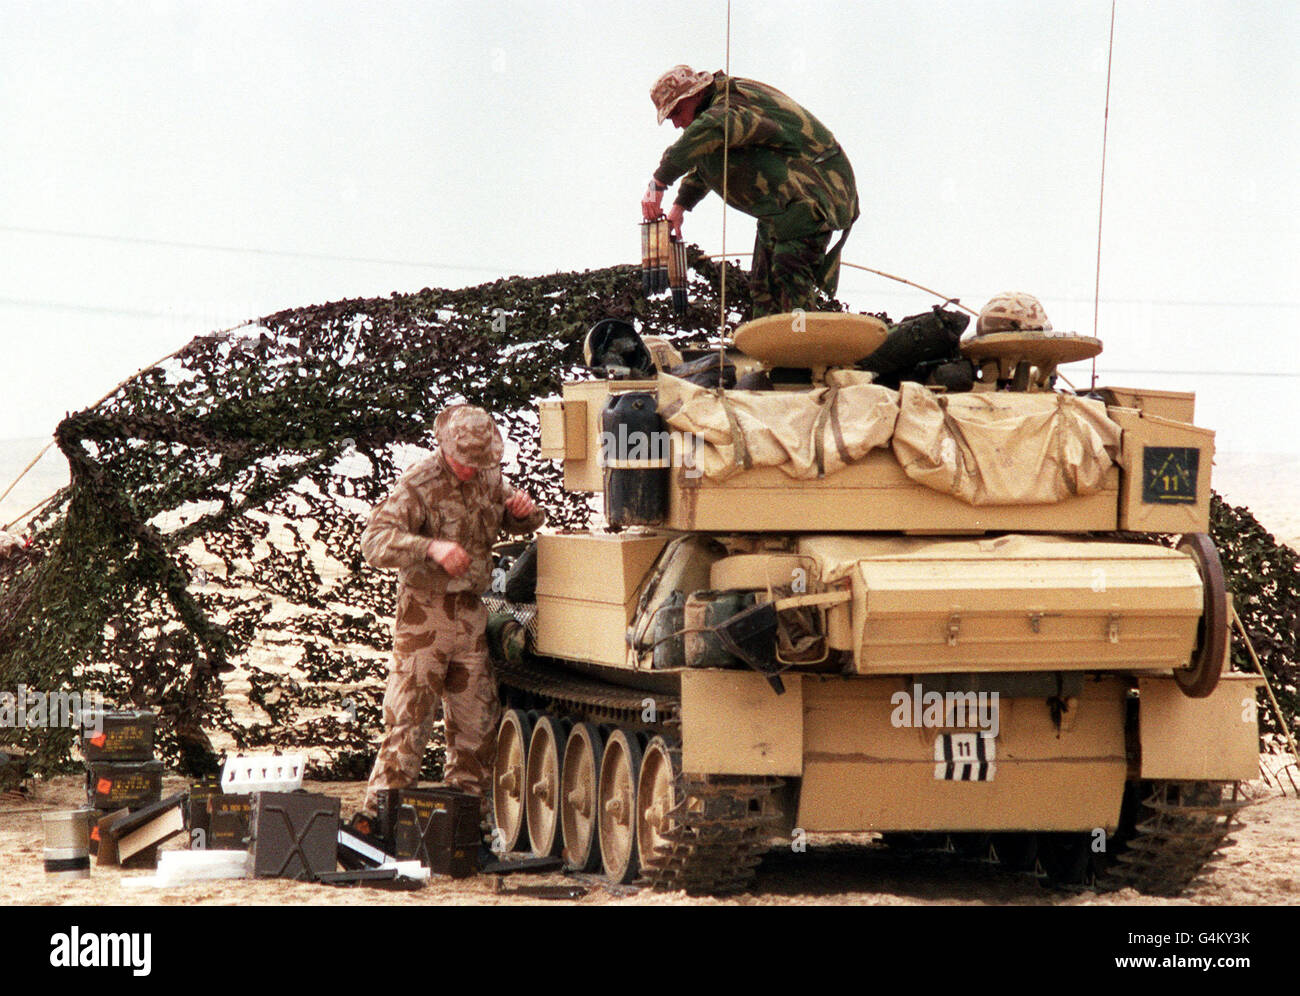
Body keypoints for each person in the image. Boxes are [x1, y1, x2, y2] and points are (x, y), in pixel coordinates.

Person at [358, 404, 545, 821]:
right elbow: (374, 542)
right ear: (445, 450)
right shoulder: (418, 484)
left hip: (471, 615)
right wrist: (430, 548)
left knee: (476, 728)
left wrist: (523, 514)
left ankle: (465, 829)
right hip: (424, 614)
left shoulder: (487, 476)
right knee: (409, 722)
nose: (470, 470)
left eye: (478, 462)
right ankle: (379, 822)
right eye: (464, 462)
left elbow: (514, 516)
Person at [641, 64, 859, 319]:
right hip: (780, 209)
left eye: (677, 112)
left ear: (696, 94)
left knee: (791, 276)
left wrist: (659, 182)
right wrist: (680, 206)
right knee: (763, 287)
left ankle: (801, 343)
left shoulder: (733, 104)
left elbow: (712, 130)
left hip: (814, 196)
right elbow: (709, 160)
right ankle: (768, 352)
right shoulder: (713, 114)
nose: (677, 124)